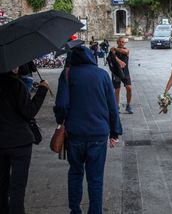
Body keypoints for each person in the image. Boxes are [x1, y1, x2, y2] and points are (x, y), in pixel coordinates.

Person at [54, 46, 122, 214]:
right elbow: (112, 107)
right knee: (96, 178)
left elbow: (62, 105)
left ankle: (75, 210)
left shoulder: (68, 74)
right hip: (98, 134)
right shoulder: (102, 75)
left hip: (75, 134)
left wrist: (61, 120)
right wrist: (114, 132)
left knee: (75, 173)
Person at [0, 67, 49, 214]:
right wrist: (42, 90)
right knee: (17, 186)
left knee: (2, 185)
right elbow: (29, 111)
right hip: (19, 142)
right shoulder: (16, 84)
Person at [111, 37, 133, 114]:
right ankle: (117, 106)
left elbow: (126, 52)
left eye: (122, 42)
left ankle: (128, 105)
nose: (121, 43)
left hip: (125, 72)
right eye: (119, 41)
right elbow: (112, 57)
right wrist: (118, 60)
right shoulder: (113, 51)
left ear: (124, 43)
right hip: (116, 72)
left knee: (129, 88)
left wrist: (114, 49)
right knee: (117, 90)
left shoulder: (126, 50)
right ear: (117, 42)